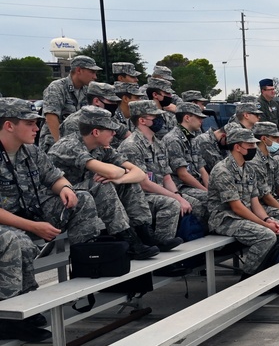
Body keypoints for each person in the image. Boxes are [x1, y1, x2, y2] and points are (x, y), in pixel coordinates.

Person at [0, 98, 103, 340]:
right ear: (9, 126)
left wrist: (65, 188)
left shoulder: (32, 152)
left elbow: (54, 177)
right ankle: (12, 312)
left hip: (31, 213)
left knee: (83, 198)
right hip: (9, 223)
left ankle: (86, 268)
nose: (37, 128)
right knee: (17, 242)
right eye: (30, 123)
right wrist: (32, 226)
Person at [49, 106, 161, 259]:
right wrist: (118, 173)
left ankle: (144, 233)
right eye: (110, 130)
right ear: (96, 132)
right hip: (60, 197)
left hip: (83, 195)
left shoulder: (100, 147)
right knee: (101, 184)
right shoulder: (69, 145)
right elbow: (111, 172)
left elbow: (140, 174)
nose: (114, 134)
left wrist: (120, 178)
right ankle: (127, 240)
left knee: (128, 183)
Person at [206, 124, 279, 277]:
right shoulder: (222, 170)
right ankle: (248, 278)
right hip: (224, 218)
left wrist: (268, 219)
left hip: (244, 216)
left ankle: (272, 275)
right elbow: (236, 207)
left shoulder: (248, 168)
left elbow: (254, 202)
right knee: (267, 235)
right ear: (237, 147)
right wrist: (265, 225)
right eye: (250, 144)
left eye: (254, 144)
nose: (254, 147)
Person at [119, 100, 194, 243]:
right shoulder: (131, 146)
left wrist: (178, 195)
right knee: (172, 204)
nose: (161, 120)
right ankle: (162, 246)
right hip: (140, 197)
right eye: (155, 117)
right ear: (142, 120)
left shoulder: (158, 143)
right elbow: (144, 184)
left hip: (159, 193)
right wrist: (176, 198)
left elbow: (166, 177)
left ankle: (194, 255)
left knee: (195, 203)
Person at [162, 102, 211, 226]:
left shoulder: (192, 138)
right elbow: (183, 175)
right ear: (187, 118)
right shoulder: (173, 139)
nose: (202, 120)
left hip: (195, 183)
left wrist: (210, 189)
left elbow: (202, 169)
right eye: (198, 117)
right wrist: (206, 191)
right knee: (209, 200)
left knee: (220, 196)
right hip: (181, 186)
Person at [38, 55, 102, 150]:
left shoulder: (87, 90)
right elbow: (51, 118)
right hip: (54, 144)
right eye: (91, 72)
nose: (95, 76)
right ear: (79, 70)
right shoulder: (56, 87)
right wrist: (60, 145)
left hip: (78, 144)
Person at [61, 81, 129, 147]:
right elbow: (75, 153)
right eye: (111, 101)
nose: (114, 105)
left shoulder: (109, 118)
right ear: (96, 101)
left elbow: (126, 134)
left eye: (115, 102)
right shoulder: (74, 123)